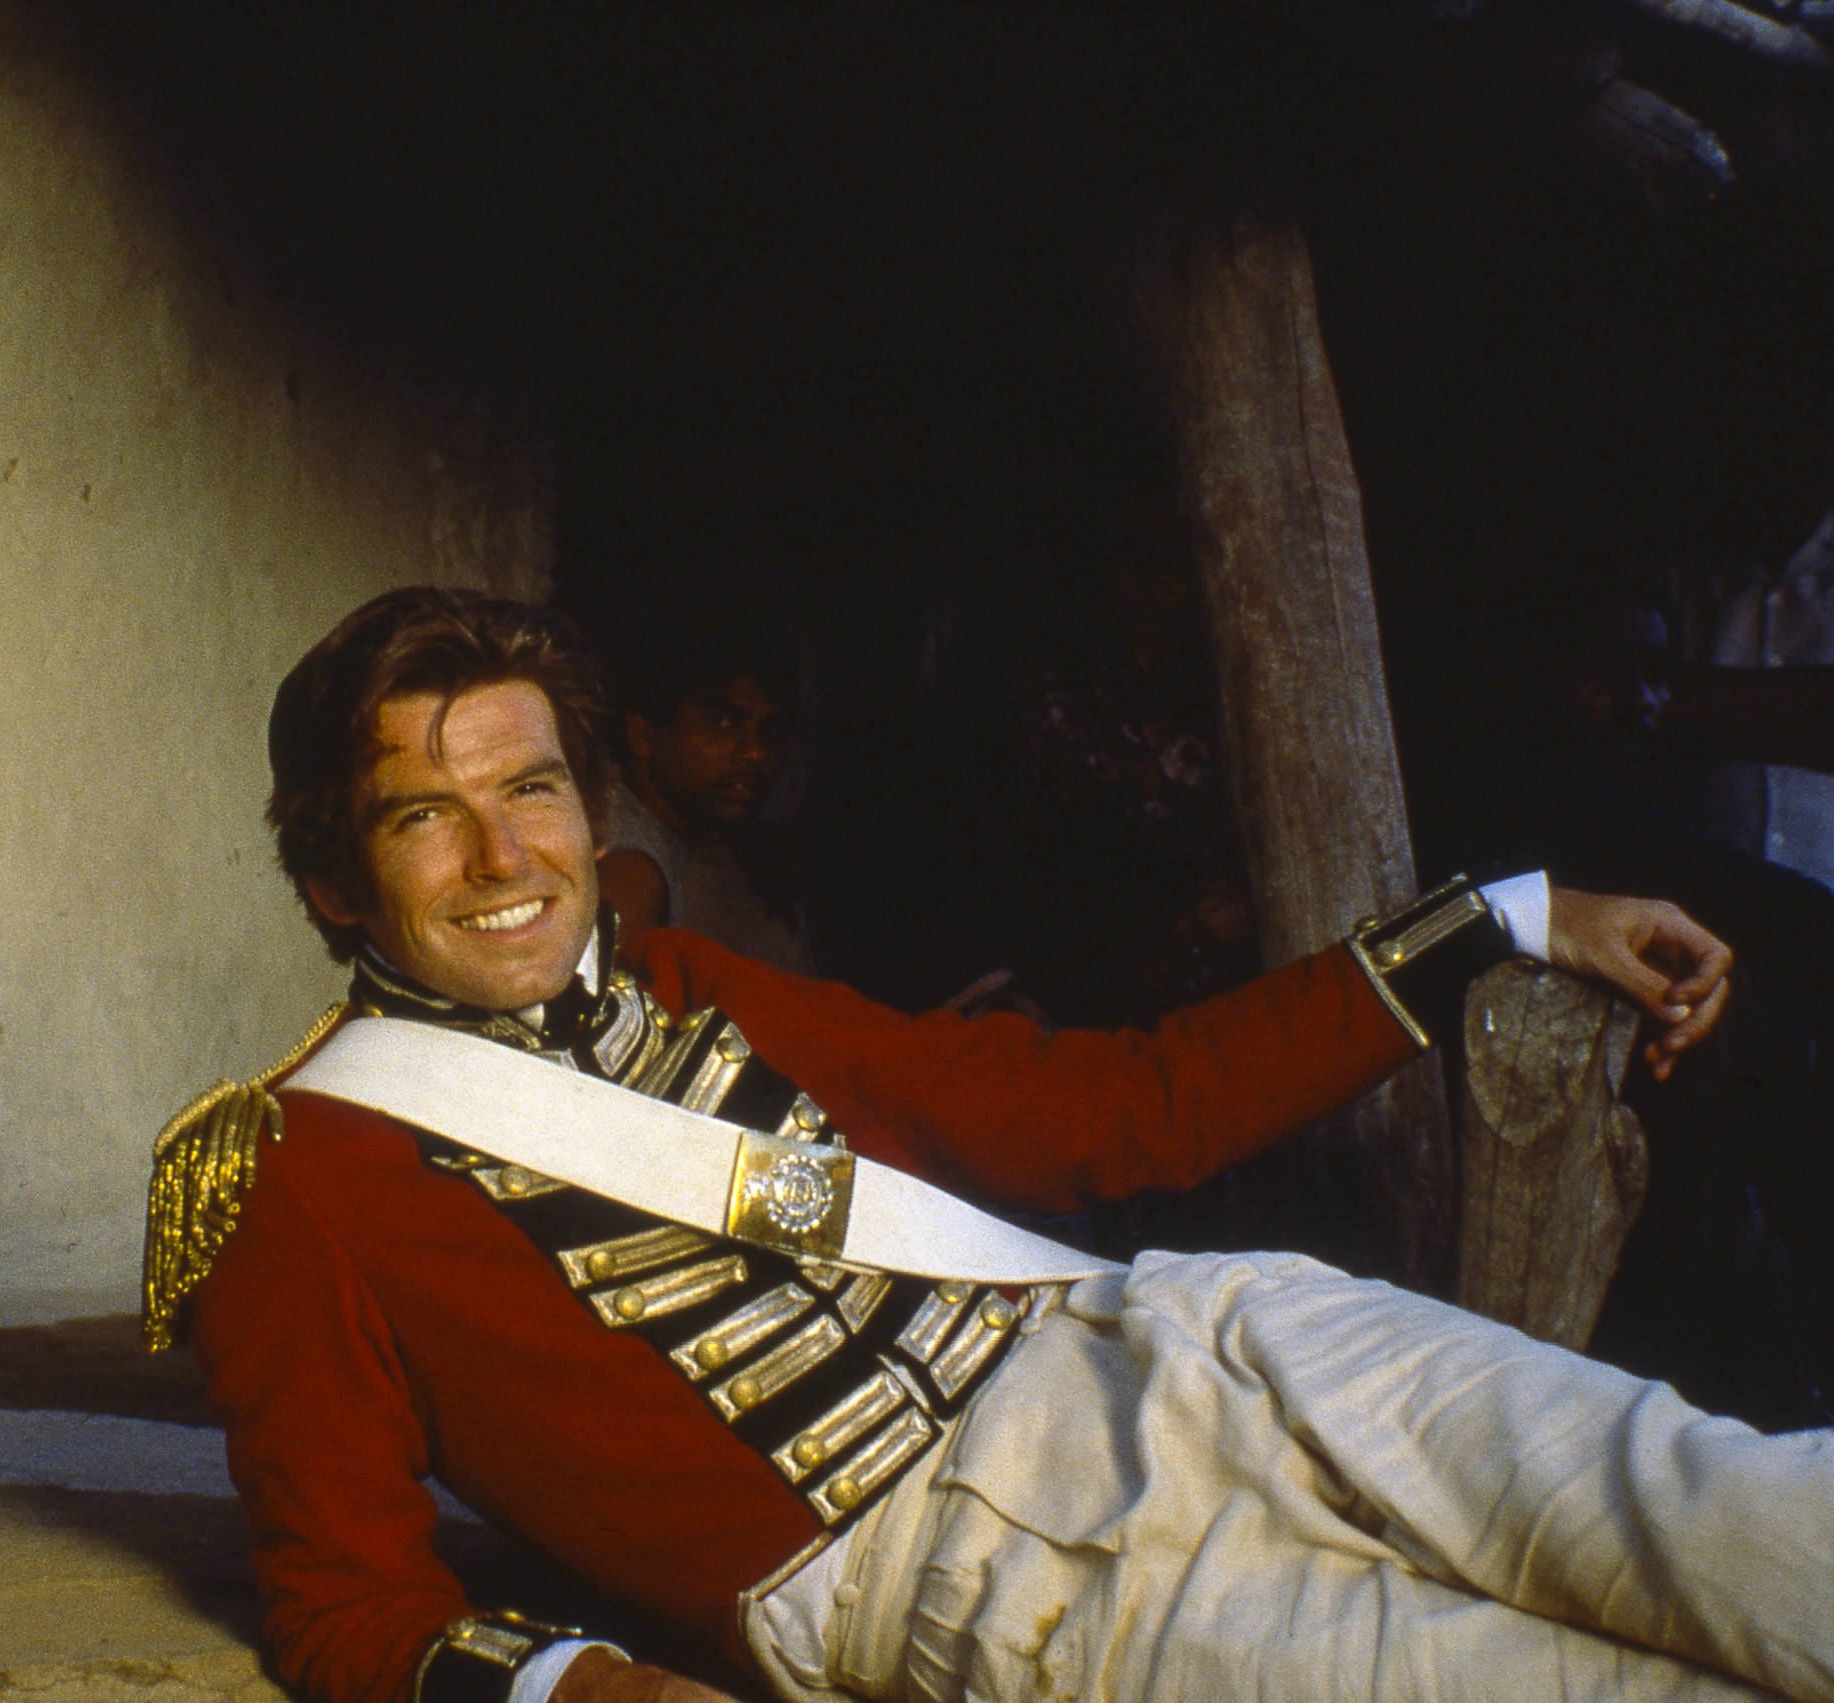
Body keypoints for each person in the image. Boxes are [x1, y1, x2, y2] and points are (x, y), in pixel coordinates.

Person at [146, 587, 1830, 1703]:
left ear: (592, 808)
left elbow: (1115, 1109)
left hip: (1188, 1335)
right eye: (424, 811)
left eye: (531, 789)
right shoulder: (300, 1180)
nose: (502, 850)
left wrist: (1507, 915)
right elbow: (344, 1598)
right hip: (978, 1563)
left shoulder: (683, 979)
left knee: (1738, 1511)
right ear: (334, 879)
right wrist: (581, 1682)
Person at [599, 615, 813, 973]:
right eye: (722, 722)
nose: (755, 753)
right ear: (643, 735)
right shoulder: (630, 871)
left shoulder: (714, 850)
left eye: (770, 731)